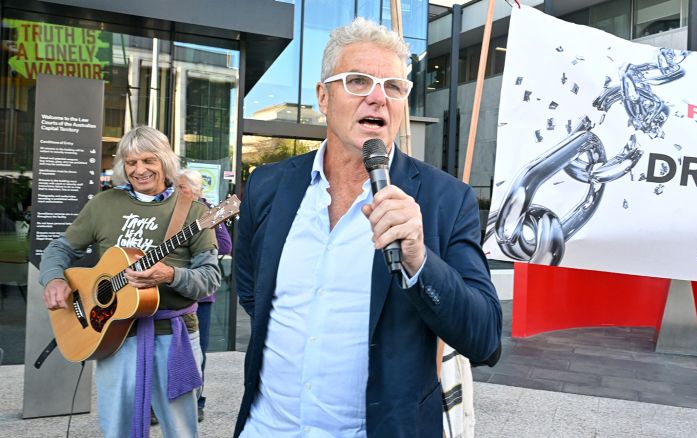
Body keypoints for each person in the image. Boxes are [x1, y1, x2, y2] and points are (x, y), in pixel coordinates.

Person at [234, 18, 502, 437]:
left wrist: (418, 260)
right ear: (324, 96)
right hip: (267, 427)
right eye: (358, 81)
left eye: (393, 87)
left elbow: (485, 338)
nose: (377, 98)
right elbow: (254, 290)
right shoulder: (269, 185)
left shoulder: (444, 200)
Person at [41, 126, 219, 438]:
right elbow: (59, 248)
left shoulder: (194, 211)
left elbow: (209, 279)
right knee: (117, 428)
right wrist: (54, 279)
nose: (139, 170)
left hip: (173, 334)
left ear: (165, 161)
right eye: (130, 162)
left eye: (148, 160)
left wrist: (171, 274)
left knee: (180, 430)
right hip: (113, 334)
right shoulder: (103, 204)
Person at [176, 168, 233, 422]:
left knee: (198, 351)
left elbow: (226, 245)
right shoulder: (169, 210)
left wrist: (208, 227)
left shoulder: (208, 213)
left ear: (196, 191)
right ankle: (158, 404)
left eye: (182, 187)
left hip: (200, 296)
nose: (177, 192)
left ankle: (197, 401)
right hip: (169, 291)